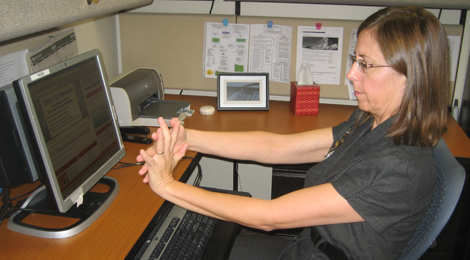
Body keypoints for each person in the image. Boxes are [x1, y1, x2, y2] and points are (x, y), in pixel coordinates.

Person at [136, 6, 449, 260]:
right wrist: (189, 137)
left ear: (411, 77)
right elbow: (278, 147)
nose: (351, 73)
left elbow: (269, 217)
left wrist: (168, 186)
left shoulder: (399, 167)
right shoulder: (371, 119)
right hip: (308, 247)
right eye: (355, 60)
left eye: (366, 65)